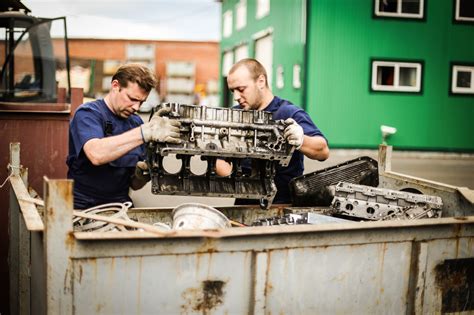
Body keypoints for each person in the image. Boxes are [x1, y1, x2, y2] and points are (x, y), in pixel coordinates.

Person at [67, 63, 181, 209]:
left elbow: (134, 185)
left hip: (120, 206)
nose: (136, 107)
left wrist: (142, 175)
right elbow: (96, 154)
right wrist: (144, 132)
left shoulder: (136, 123)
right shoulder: (88, 114)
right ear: (115, 86)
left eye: (141, 102)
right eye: (132, 99)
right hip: (81, 207)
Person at [216, 58, 329, 204]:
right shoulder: (234, 116)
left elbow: (323, 151)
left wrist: (301, 140)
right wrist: (242, 183)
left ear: (261, 81)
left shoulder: (288, 113)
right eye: (233, 91)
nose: (236, 97)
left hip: (283, 208)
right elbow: (220, 161)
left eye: (241, 89)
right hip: (244, 206)